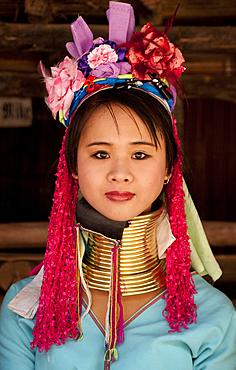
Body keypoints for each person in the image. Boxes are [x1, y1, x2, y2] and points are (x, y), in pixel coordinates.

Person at [0, 2, 235, 369]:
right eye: (100, 154)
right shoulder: (26, 308)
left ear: (171, 167)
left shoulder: (212, 316)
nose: (120, 173)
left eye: (140, 155)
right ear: (74, 166)